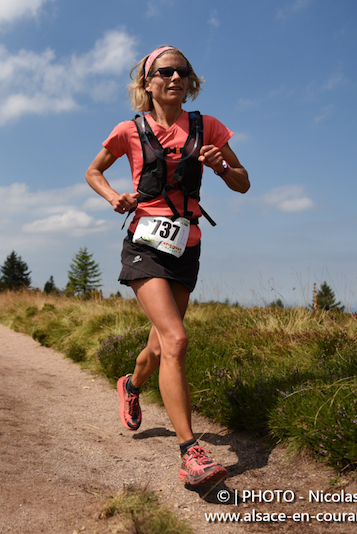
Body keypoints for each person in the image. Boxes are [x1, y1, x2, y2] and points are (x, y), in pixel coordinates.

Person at [85, 45, 249, 486]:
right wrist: (113, 197)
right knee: (176, 339)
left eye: (182, 71)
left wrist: (221, 168)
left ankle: (131, 386)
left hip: (187, 246)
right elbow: (93, 172)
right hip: (144, 245)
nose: (174, 78)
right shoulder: (128, 130)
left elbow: (244, 183)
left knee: (159, 348)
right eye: (165, 71)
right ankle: (191, 454)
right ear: (147, 81)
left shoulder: (208, 127)